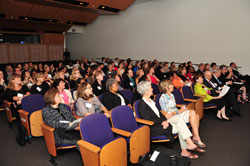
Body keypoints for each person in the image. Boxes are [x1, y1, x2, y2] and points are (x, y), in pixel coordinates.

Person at [137, 81, 205, 159]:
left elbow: (160, 114)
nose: (152, 89)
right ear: (146, 91)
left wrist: (164, 120)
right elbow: (149, 121)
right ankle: (187, 147)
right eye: (150, 88)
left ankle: (186, 148)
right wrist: (162, 121)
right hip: (155, 128)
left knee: (180, 124)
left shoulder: (151, 101)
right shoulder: (142, 105)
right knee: (180, 123)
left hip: (162, 123)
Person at [159, 80, 206, 148]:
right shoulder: (163, 98)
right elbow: (167, 114)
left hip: (176, 114)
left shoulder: (172, 95)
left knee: (194, 113)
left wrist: (181, 110)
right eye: (171, 85)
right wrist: (179, 111)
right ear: (166, 88)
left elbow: (174, 108)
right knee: (195, 115)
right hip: (171, 118)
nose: (173, 86)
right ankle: (196, 137)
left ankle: (196, 136)